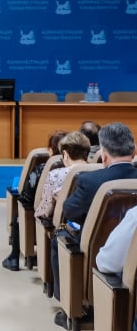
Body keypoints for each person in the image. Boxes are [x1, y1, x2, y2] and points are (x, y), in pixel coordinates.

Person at [52, 122, 137, 326]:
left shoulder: (90, 181)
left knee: (59, 239)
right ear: (134, 151)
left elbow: (69, 211)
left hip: (98, 254)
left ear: (104, 155)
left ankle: (69, 307)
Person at [3, 129, 67, 271]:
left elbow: (27, 196)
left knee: (19, 213)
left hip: (43, 216)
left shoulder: (41, 169)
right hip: (67, 219)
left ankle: (14, 257)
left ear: (51, 150)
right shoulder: (78, 169)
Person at [34, 131, 90, 220]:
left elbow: (45, 211)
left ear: (65, 155)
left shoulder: (55, 175)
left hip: (63, 224)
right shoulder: (99, 172)